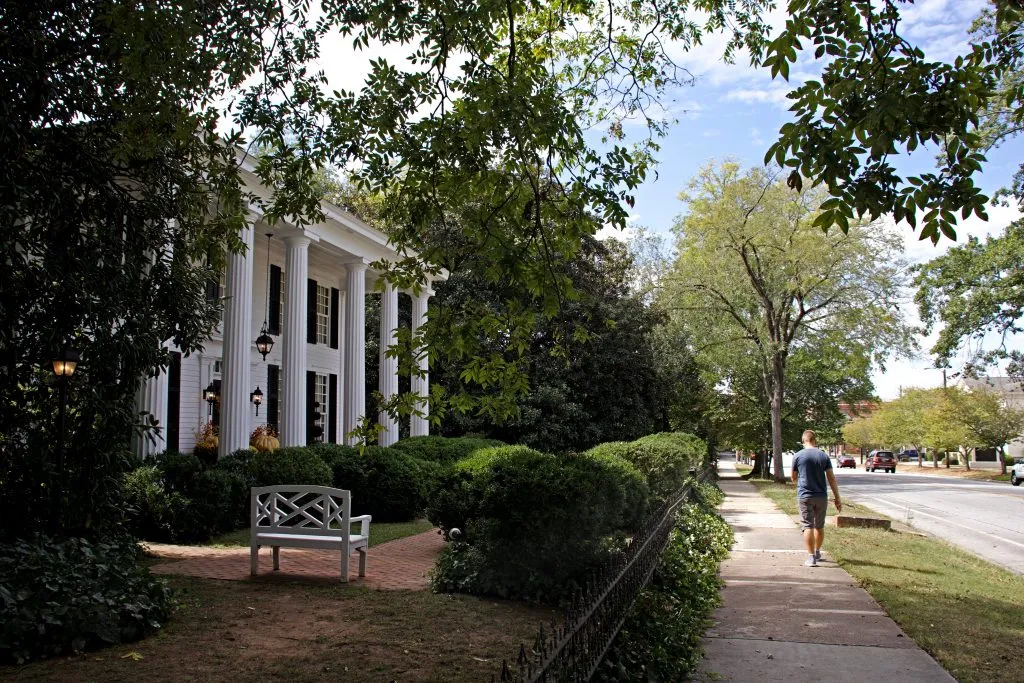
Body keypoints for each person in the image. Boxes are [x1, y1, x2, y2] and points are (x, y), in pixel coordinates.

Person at [790, 429, 842, 567]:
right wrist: (837, 498)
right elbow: (831, 478)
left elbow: (793, 477)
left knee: (807, 526)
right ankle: (818, 551)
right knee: (819, 526)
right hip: (821, 496)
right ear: (814, 440)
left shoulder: (798, 456)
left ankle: (811, 557)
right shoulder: (823, 456)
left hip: (805, 496)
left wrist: (800, 480)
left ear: (803, 441)